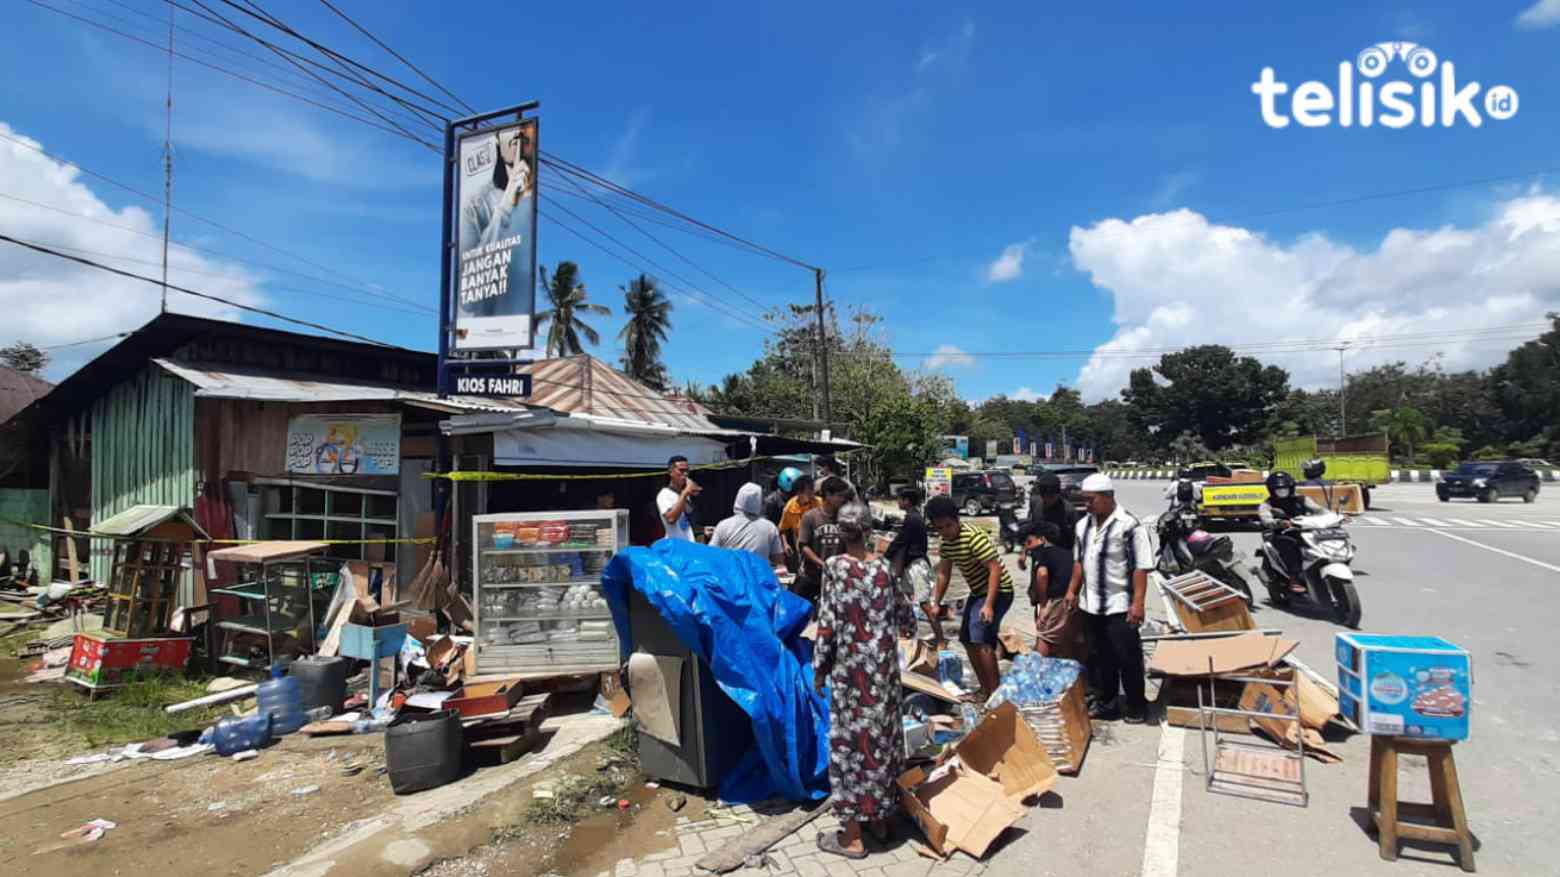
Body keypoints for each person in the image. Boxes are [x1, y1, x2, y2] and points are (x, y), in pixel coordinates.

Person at [812, 502, 915, 859]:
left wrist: (820, 669)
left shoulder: (836, 568)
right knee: (883, 744)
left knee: (850, 750)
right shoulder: (884, 567)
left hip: (852, 677)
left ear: (840, 532)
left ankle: (852, 836)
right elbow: (906, 614)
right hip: (884, 677)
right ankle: (881, 821)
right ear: (870, 531)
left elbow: (827, 623)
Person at [1063, 473, 1151, 723]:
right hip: (1091, 604)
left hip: (1120, 604)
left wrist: (1139, 603)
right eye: (1084, 500)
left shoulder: (1129, 526)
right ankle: (1107, 702)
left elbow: (1140, 567)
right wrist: (1072, 590)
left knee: (1127, 657)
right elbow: (1079, 562)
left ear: (1108, 497)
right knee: (1099, 657)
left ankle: (1136, 705)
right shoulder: (1083, 526)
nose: (1086, 505)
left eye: (1091, 500)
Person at [926, 495, 1015, 702]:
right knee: (966, 639)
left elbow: (995, 569)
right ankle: (984, 689)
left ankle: (995, 694)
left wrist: (989, 605)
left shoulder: (974, 537)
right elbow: (943, 574)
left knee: (980, 638)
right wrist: (936, 602)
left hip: (999, 591)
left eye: (948, 526)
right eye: (939, 528)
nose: (945, 531)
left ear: (957, 520)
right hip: (978, 592)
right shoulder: (946, 544)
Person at [884, 487, 939, 649]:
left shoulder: (912, 519)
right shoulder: (913, 517)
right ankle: (908, 633)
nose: (898, 502)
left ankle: (940, 638)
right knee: (904, 599)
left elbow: (901, 541)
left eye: (900, 499)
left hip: (917, 565)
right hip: (910, 565)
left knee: (924, 603)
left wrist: (885, 556)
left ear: (907, 501)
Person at [1259, 470, 1325, 592]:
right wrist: (1278, 522)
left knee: (1324, 539)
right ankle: (1293, 579)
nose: (1282, 491)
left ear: (1291, 487)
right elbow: (1266, 519)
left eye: (1285, 488)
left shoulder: (1302, 499)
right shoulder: (1267, 504)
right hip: (1281, 534)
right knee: (1292, 545)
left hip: (1304, 530)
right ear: (1271, 490)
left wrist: (1335, 515)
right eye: (1279, 489)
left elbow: (1319, 509)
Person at [1023, 521, 1080, 659]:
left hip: (1057, 600)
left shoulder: (1043, 554)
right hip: (1074, 599)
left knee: (1045, 637)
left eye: (1029, 541)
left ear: (1042, 539)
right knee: (1067, 640)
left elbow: (1042, 574)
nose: (1027, 546)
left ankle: (1036, 674)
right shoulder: (1067, 553)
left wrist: (1043, 605)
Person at [796, 477, 852, 604]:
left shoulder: (846, 518)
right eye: (839, 496)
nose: (843, 499)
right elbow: (803, 545)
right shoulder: (810, 517)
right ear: (827, 495)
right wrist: (821, 563)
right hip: (812, 577)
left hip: (837, 578)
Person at [711, 482, 787, 567]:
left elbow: (711, 555)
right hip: (758, 578)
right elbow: (778, 560)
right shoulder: (770, 528)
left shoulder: (723, 526)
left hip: (731, 577)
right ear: (759, 502)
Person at [1024, 473, 1076, 553]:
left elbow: (1072, 542)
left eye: (1051, 497)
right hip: (1039, 555)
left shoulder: (1068, 511)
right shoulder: (1036, 503)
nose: (1047, 500)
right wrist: (1024, 551)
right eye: (1044, 497)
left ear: (1058, 494)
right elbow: (1032, 530)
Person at [656, 456, 701, 542]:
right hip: (675, 547)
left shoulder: (684, 493)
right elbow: (671, 519)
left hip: (688, 544)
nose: (685, 474)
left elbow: (687, 519)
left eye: (687, 471)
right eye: (681, 470)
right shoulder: (664, 494)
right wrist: (685, 493)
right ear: (671, 472)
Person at [778, 475, 819, 568]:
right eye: (809, 490)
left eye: (813, 488)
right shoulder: (790, 507)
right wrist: (785, 544)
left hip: (819, 548)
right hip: (802, 550)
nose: (813, 492)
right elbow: (782, 529)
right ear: (799, 492)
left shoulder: (819, 503)